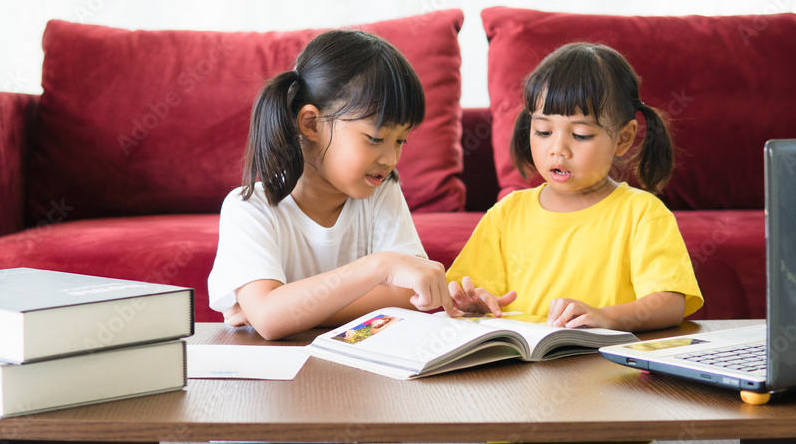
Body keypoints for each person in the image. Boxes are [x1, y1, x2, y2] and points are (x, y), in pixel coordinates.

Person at [207, 29, 458, 340]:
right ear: (312, 124)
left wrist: (289, 311)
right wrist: (381, 267)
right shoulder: (249, 209)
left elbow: (410, 295)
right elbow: (270, 320)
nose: (391, 159)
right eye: (375, 138)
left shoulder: (382, 193)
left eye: (400, 141)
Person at [446, 42, 703, 331]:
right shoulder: (506, 213)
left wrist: (606, 317)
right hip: (524, 358)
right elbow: (470, 292)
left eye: (580, 134)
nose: (558, 148)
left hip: (602, 358)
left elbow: (669, 303)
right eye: (543, 131)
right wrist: (475, 302)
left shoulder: (642, 213)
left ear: (623, 138)